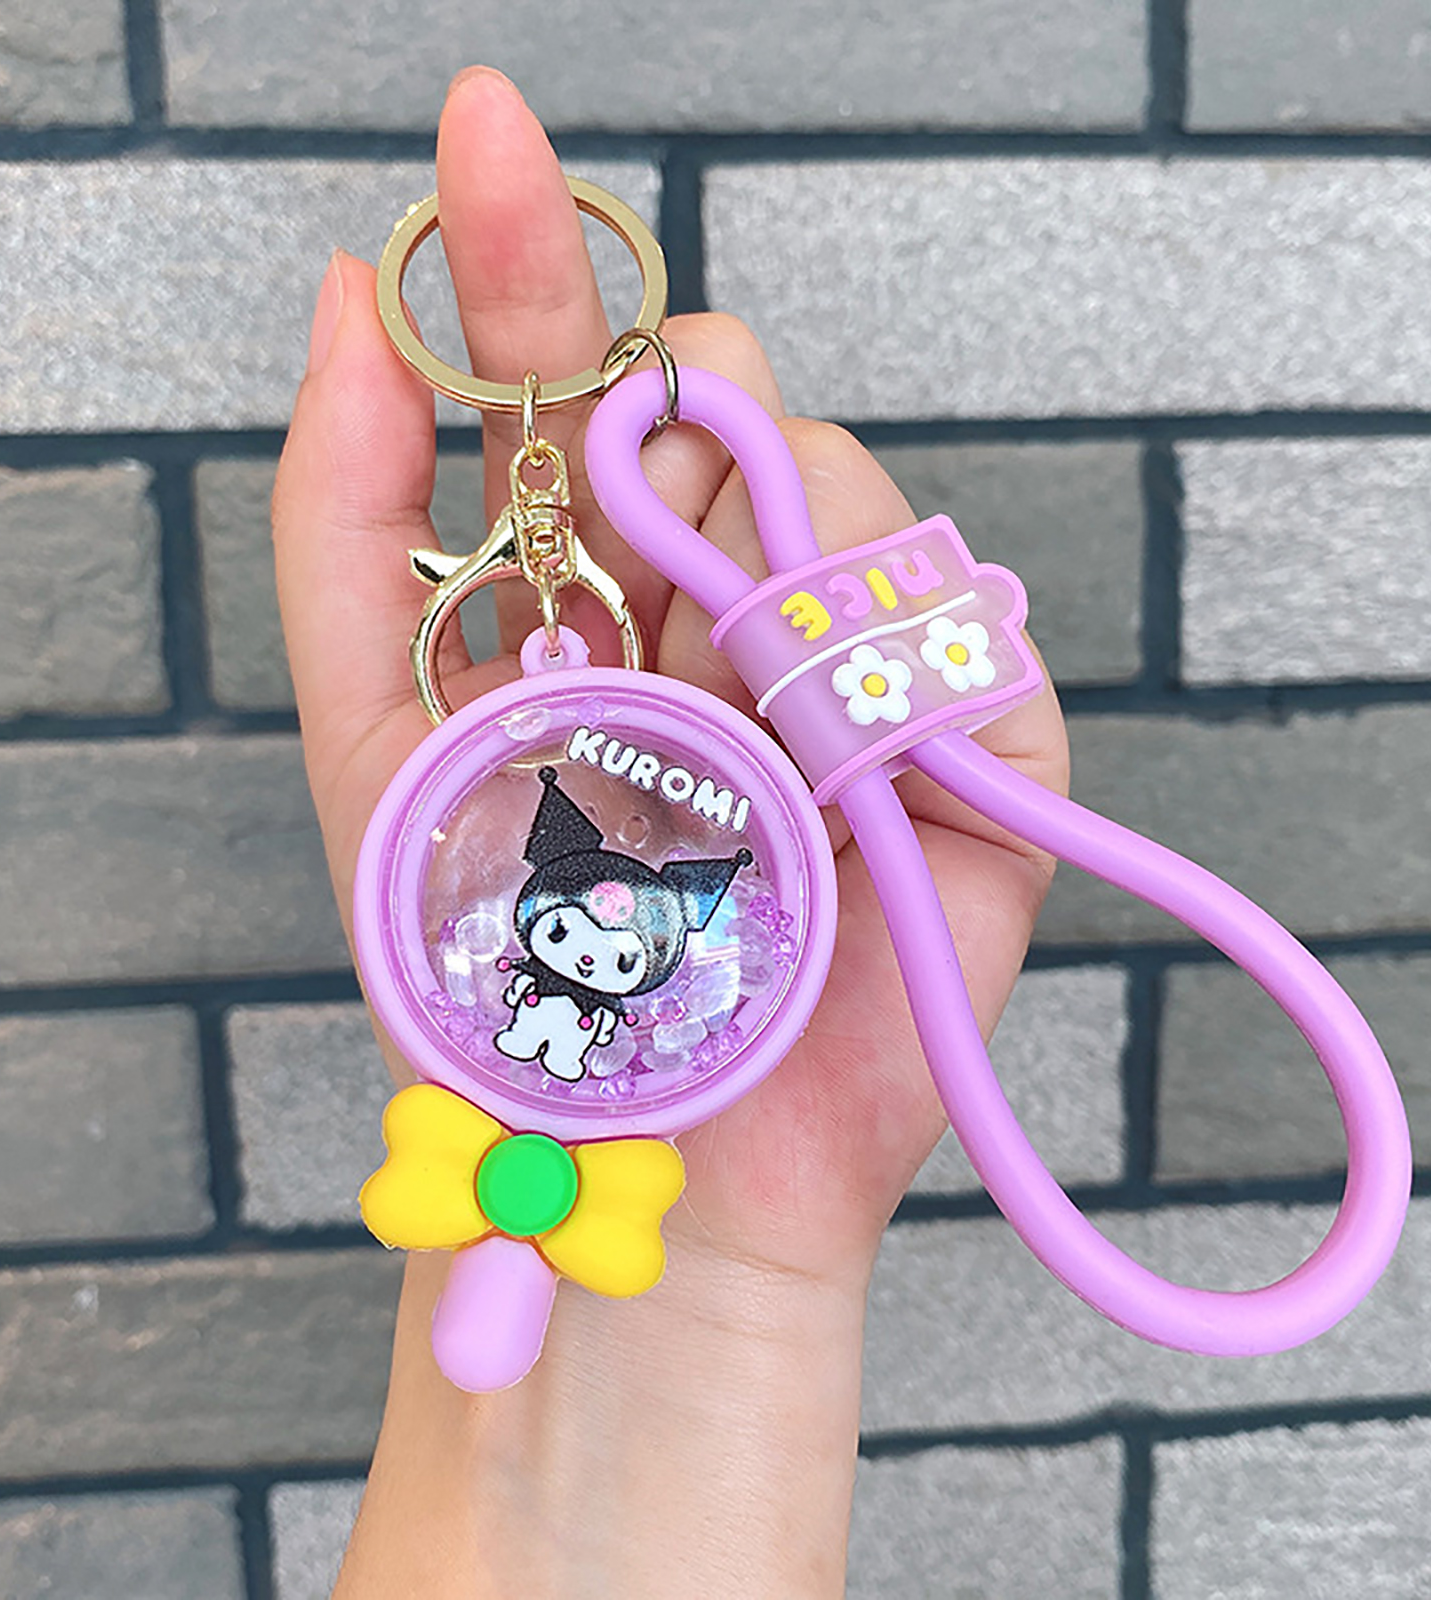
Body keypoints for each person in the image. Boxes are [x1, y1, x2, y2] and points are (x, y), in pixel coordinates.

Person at [272, 63, 1068, 1598]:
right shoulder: (496, 915)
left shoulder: (713, 956)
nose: (585, 943)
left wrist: (726, 1302)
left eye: (607, 936)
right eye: (577, 923)